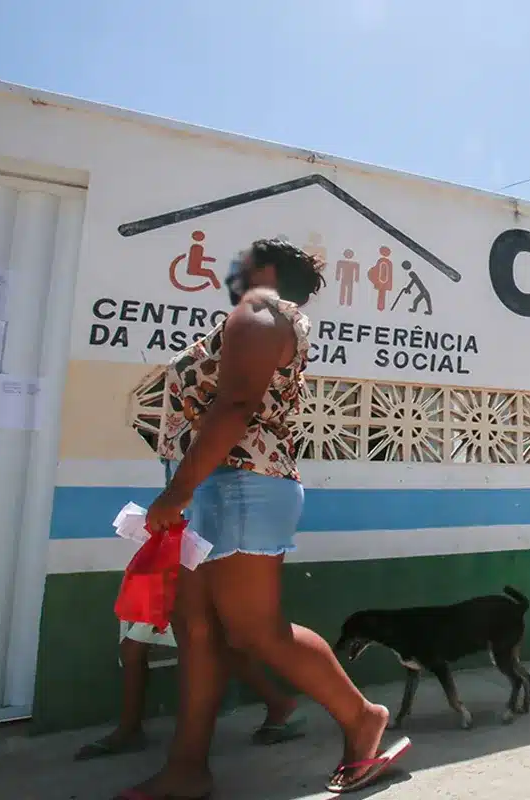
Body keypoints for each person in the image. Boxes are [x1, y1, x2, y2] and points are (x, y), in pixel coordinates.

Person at [117, 239, 405, 799]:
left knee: (254, 630)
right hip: (214, 485)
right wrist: (184, 489)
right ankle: (187, 768)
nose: (234, 270)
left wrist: (177, 492)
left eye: (243, 262)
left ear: (266, 271)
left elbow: (236, 406)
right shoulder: (260, 318)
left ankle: (362, 716)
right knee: (196, 627)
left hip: (241, 486)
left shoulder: (259, 313)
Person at [74, 621, 303, 761]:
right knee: (132, 647)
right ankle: (130, 730)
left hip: (178, 572)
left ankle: (278, 704)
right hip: (156, 575)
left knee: (216, 646)